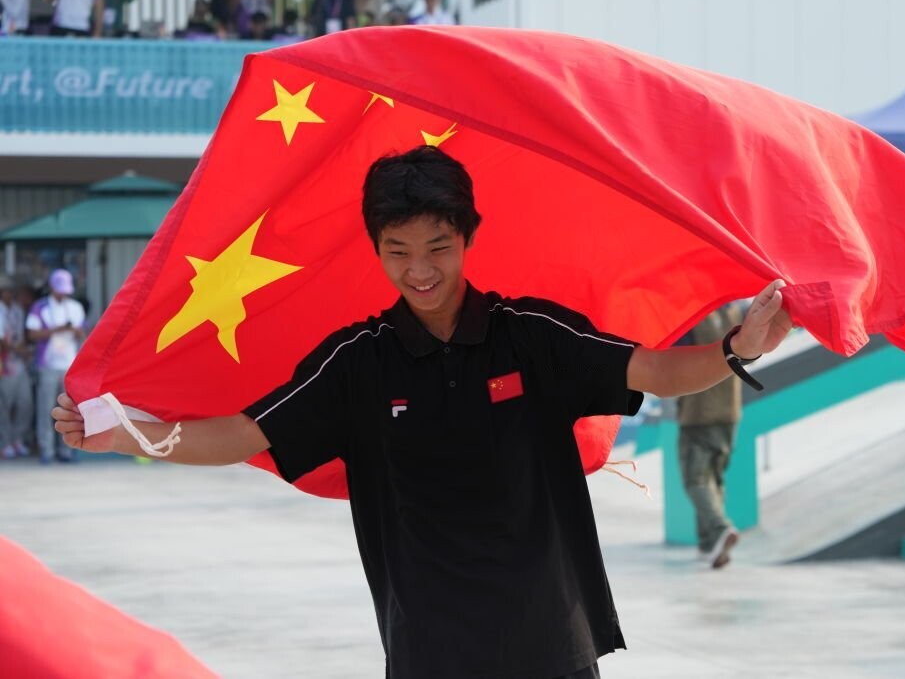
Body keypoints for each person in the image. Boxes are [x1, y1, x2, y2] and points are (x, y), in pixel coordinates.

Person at [53, 146, 791, 678]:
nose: (420, 269)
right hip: (431, 653)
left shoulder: (531, 335)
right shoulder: (359, 362)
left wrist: (737, 348)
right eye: (398, 250)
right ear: (375, 250)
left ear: (468, 237)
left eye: (438, 246)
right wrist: (131, 434)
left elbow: (654, 369)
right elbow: (244, 434)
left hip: (550, 644)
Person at [676, 303, 744, 569]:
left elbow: (672, 355)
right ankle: (710, 548)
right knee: (714, 478)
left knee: (695, 479)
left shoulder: (692, 317)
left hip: (698, 412)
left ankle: (719, 529)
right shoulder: (735, 313)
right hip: (730, 410)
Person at [31, 269, 86, 463]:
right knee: (46, 409)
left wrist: (76, 331)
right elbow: (32, 334)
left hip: (69, 365)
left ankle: (66, 450)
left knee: (69, 411)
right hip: (48, 364)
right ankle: (46, 450)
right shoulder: (40, 307)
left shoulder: (75, 307)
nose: (63, 293)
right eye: (60, 289)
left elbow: (83, 333)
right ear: (52, 287)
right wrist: (57, 329)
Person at [0, 275, 33, 459]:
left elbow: (21, 335)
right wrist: (21, 350)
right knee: (5, 406)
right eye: (6, 290)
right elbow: (3, 342)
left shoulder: (18, 310)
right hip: (4, 365)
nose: (10, 294)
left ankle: (17, 439)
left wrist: (23, 350)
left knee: (24, 403)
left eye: (13, 291)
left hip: (19, 364)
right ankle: (5, 443)